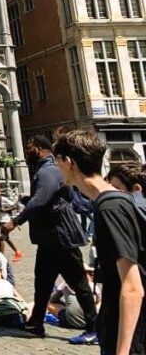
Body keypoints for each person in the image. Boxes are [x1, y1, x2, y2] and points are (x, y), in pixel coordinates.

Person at [53, 129, 145, 353]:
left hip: (128, 335)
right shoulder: (116, 200)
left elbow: (133, 286)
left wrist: (122, 351)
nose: (56, 168)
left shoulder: (109, 207)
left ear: (69, 162)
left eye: (57, 162)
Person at [1, 134, 97, 341]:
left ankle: (94, 328)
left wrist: (14, 221)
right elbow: (61, 196)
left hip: (60, 238)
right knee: (42, 284)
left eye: (30, 148)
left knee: (79, 284)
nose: (27, 152)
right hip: (50, 239)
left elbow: (39, 201)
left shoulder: (47, 171)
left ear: (38, 147)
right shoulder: (52, 170)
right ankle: (36, 323)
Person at [0, 184, 23, 260]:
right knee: (5, 237)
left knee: (0, 236)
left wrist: (5, 210)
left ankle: (1, 257)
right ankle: (18, 252)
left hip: (5, 219)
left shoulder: (4, 199)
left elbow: (15, 206)